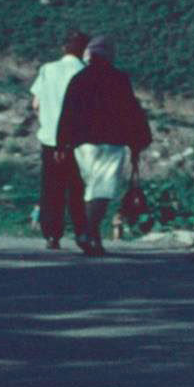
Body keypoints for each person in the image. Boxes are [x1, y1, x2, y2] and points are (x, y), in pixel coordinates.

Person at [57, 35, 153, 257]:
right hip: (112, 142)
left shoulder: (78, 79)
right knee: (102, 188)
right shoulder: (119, 79)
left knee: (91, 186)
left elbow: (67, 113)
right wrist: (138, 141)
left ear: (88, 55)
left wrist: (62, 145)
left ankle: (88, 233)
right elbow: (131, 112)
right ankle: (91, 232)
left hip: (83, 144)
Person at [28, 28, 90, 251]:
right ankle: (82, 231)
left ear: (63, 48)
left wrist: (47, 119)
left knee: (52, 188)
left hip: (50, 139)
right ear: (84, 50)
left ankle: (52, 235)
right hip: (78, 141)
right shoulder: (86, 73)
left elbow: (35, 103)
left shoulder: (48, 69)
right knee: (77, 188)